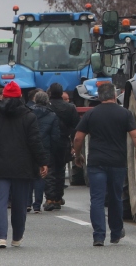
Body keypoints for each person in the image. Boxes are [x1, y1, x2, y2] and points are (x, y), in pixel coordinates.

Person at [0, 81, 48, 248]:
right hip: (22, 166)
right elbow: (35, 141)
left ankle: (0, 237)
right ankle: (17, 237)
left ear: (3, 97)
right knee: (20, 204)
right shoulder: (29, 116)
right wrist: (42, 161)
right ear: (20, 97)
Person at [74, 82, 136, 246]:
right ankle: (115, 233)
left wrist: (78, 155)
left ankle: (99, 236)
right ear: (114, 96)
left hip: (96, 162)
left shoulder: (91, 115)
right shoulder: (125, 114)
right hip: (117, 163)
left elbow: (78, 138)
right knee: (116, 198)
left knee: (97, 200)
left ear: (99, 97)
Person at [45, 83, 78, 211]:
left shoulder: (46, 106)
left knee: (49, 170)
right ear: (61, 93)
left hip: (48, 141)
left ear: (50, 93)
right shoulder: (70, 107)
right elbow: (76, 126)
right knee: (60, 169)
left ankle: (50, 198)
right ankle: (58, 197)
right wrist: (73, 144)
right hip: (64, 141)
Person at [29, 91, 62, 213]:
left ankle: (27, 203)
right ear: (47, 100)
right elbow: (55, 136)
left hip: (29, 147)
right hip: (45, 148)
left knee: (29, 175)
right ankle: (37, 205)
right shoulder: (52, 115)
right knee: (41, 176)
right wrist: (53, 150)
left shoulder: (28, 112)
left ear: (35, 100)